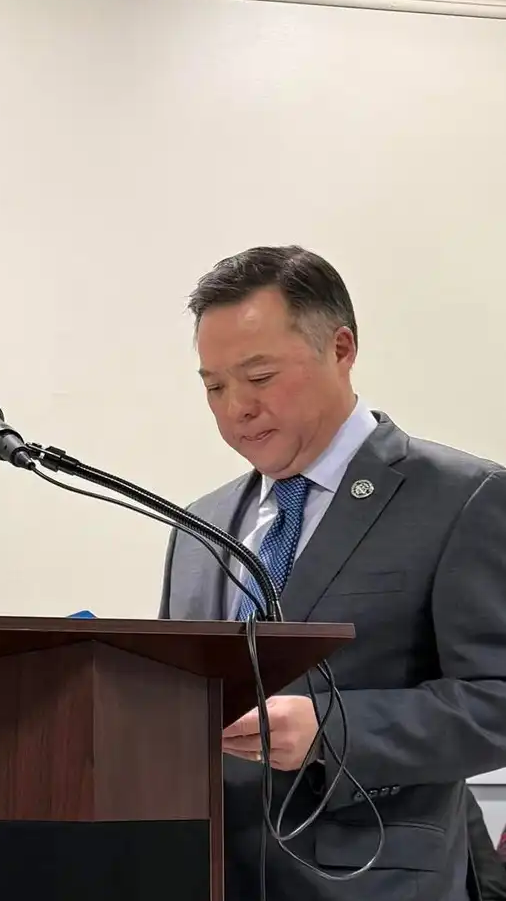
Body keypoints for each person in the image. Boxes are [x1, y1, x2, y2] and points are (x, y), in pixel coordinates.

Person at [158, 245, 506, 901]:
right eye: (214, 386)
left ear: (341, 349)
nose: (237, 408)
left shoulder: (462, 499)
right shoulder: (197, 527)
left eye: (259, 376)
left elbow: (497, 699)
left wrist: (331, 730)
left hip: (373, 882)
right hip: (210, 877)